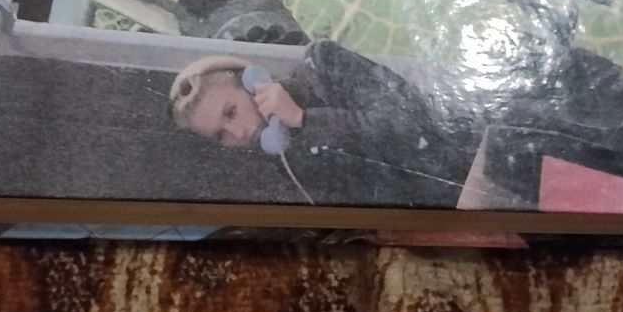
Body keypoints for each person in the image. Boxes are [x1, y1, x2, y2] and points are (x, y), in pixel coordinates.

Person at [170, 40, 482, 206]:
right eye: (221, 136)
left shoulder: (322, 66)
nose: (239, 133)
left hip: (469, 165)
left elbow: (405, 124)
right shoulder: (284, 164)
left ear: (252, 82)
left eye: (231, 112)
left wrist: (303, 120)